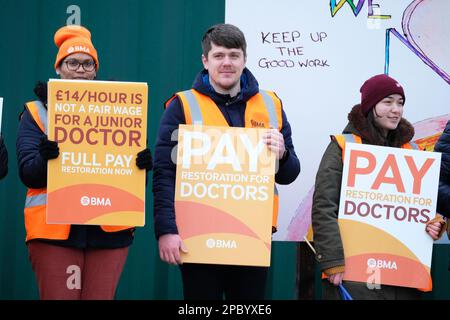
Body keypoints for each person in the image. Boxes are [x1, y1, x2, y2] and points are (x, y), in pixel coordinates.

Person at [153, 23, 300, 300]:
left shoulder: (271, 104)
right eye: (219, 55)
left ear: (244, 59)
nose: (227, 63)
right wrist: (166, 230)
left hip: (252, 236)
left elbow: (289, 174)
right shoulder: (182, 106)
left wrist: (283, 154)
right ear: (205, 61)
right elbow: (164, 174)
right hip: (198, 235)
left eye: (234, 55)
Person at [16, 25, 153, 300]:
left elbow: (127, 182)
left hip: (109, 230)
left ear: (95, 69)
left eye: (87, 64)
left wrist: (140, 166)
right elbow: (28, 174)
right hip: (54, 231)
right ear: (59, 68)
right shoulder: (36, 112)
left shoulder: (120, 108)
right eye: (72, 62)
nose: (80, 69)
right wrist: (47, 158)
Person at [311, 73, 445, 300]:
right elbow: (324, 206)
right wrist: (332, 261)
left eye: (400, 103)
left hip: (404, 279)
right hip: (354, 276)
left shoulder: (414, 153)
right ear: (371, 105)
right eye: (388, 102)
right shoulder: (343, 146)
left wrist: (434, 223)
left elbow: (428, 209)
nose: (396, 109)